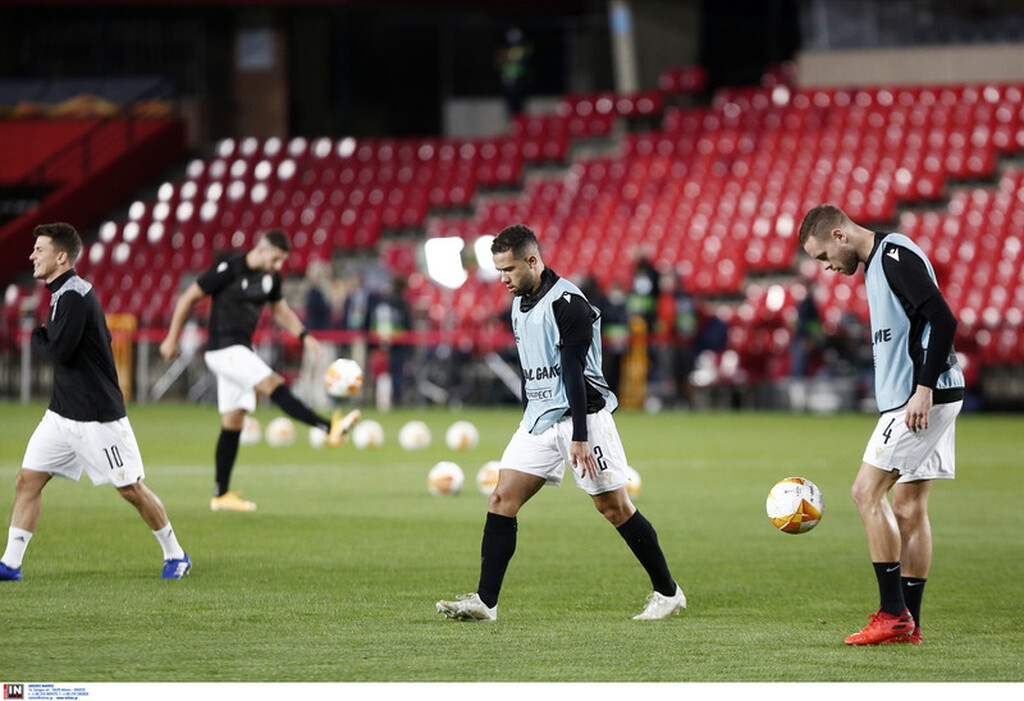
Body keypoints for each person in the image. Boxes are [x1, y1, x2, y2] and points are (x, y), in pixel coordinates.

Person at [436, 224, 685, 621]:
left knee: (614, 508)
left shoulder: (568, 303)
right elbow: (530, 368)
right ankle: (485, 603)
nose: (503, 279)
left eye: (509, 269)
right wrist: (528, 417)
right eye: (499, 271)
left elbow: (573, 372)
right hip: (539, 421)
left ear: (533, 261)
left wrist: (580, 437)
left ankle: (668, 592)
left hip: (581, 418)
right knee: (501, 499)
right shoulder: (519, 303)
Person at [799, 204, 965, 645]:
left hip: (919, 399)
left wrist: (923, 388)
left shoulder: (894, 256)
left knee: (865, 492)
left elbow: (944, 319)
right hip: (925, 396)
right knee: (909, 508)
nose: (827, 267)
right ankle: (911, 623)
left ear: (840, 235)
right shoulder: (877, 264)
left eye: (824, 256)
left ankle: (893, 614)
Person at [0, 223, 190, 581]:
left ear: (61, 257)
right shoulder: (60, 293)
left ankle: (176, 554)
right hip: (61, 415)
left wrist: (36, 335)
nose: (32, 256)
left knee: (130, 488)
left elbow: (59, 352)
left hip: (97, 417)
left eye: (39, 249)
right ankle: (10, 564)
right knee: (27, 480)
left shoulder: (75, 295)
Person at [159, 229, 360, 512]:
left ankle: (221, 495)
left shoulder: (271, 278)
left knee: (234, 419)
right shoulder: (230, 268)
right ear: (261, 250)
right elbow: (188, 297)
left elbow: (280, 310)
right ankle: (329, 427)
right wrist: (171, 338)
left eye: (282, 261)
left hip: (241, 349)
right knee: (272, 383)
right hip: (223, 349)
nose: (278, 266)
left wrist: (304, 336)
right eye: (275, 259)